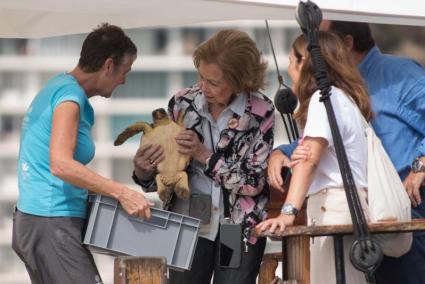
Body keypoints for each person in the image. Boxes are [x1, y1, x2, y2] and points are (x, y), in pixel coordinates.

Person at [273, 20, 425, 284]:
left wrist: (420, 165)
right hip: (366, 212)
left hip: (406, 209)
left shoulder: (399, 74)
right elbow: (333, 141)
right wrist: (283, 151)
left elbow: (316, 151)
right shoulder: (342, 93)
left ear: (344, 44)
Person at [12, 23, 154, 284]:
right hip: (51, 221)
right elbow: (60, 165)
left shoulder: (57, 86)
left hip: (38, 221)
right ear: (108, 65)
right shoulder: (70, 97)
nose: (124, 80)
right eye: (125, 71)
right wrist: (123, 193)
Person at [132, 29, 275, 284]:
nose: (203, 87)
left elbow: (253, 183)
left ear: (240, 81)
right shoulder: (181, 103)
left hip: (236, 229)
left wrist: (204, 155)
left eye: (214, 82)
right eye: (201, 77)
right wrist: (144, 172)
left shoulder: (260, 112)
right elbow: (168, 173)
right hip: (188, 226)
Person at [257, 32, 373, 284]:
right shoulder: (346, 99)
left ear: (304, 63)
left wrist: (288, 212)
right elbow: (314, 156)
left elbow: (309, 160)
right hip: (350, 207)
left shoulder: (324, 100)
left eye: (291, 60)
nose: (288, 68)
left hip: (333, 208)